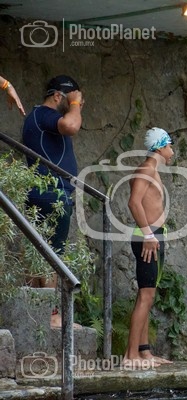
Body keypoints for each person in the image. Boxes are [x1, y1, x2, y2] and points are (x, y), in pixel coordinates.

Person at [22, 75, 84, 328]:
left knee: (39, 252)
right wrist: (75, 104)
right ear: (58, 96)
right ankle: (51, 315)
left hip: (45, 192)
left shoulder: (39, 117)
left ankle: (34, 313)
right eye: (72, 99)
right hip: (51, 193)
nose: (77, 106)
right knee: (52, 254)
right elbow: (71, 126)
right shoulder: (45, 115)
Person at [123, 127, 175, 368]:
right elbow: (134, 202)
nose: (172, 151)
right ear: (161, 147)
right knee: (146, 296)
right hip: (148, 237)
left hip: (154, 236)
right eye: (170, 146)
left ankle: (144, 352)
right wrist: (148, 234)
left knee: (147, 294)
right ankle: (130, 356)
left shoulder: (151, 169)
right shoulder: (146, 169)